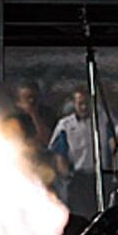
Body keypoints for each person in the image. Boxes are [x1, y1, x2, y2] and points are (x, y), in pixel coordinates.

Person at [49, 86, 112, 217]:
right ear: (74, 104)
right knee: (80, 214)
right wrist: (67, 176)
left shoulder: (103, 121)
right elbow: (59, 154)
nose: (83, 107)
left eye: (86, 103)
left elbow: (113, 145)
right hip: (78, 178)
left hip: (100, 176)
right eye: (80, 103)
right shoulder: (65, 125)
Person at [11, 80, 54, 147]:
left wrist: (34, 114)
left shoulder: (47, 113)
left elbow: (48, 139)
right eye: (27, 98)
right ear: (20, 100)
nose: (32, 101)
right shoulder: (13, 118)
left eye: (35, 97)